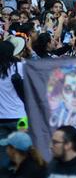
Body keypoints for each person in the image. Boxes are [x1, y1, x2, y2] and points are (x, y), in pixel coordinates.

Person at [0, 41, 25, 169]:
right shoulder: (19, 67)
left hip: (1, 118)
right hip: (20, 117)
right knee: (22, 151)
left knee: (3, 154)